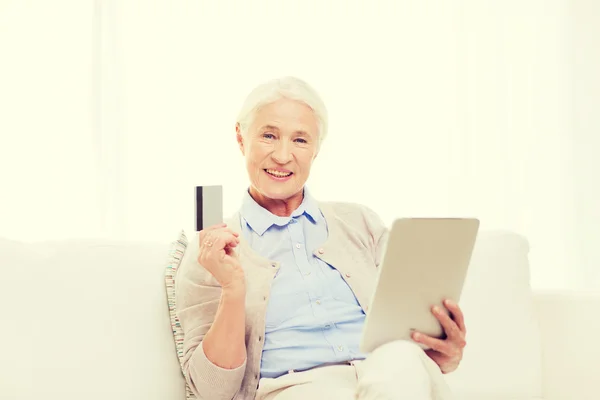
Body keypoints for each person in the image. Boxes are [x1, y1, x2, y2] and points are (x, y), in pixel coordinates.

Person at [175, 76, 467, 400]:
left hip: (389, 378)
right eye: (269, 136)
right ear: (241, 138)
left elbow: (410, 331)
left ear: (316, 150)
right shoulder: (212, 253)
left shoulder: (360, 222)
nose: (283, 156)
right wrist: (232, 289)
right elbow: (213, 393)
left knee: (399, 358)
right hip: (300, 389)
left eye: (300, 140)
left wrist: (443, 352)